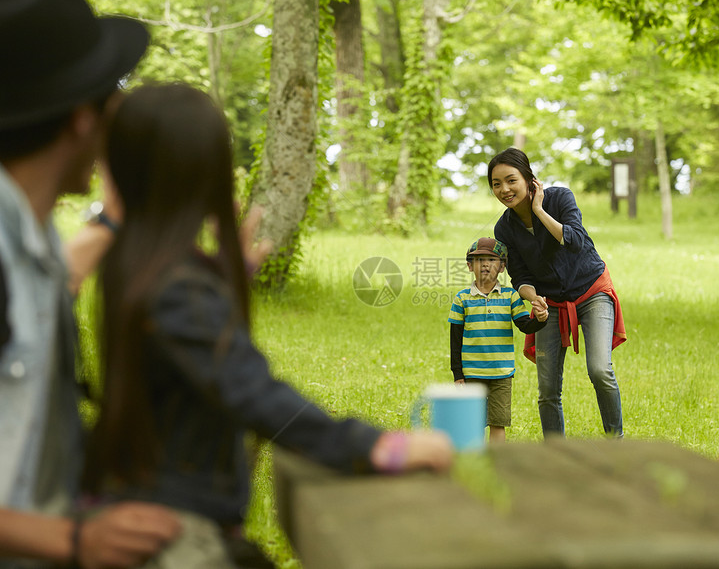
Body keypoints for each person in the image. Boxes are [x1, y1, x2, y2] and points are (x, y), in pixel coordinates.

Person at [81, 83, 453, 567]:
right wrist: (376, 446)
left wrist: (220, 287)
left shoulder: (135, 264)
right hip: (170, 529)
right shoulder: (176, 288)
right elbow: (252, 392)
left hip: (152, 500)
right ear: (207, 171)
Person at [0, 0, 185, 567]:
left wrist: (114, 218)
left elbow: (55, 275)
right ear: (84, 119)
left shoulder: (30, 234)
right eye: (113, 99)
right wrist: (75, 542)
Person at [489, 147, 627, 438]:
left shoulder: (560, 198)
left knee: (600, 370)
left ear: (529, 179)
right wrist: (532, 297)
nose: (504, 189)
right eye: (496, 184)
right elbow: (520, 275)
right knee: (548, 388)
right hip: (549, 302)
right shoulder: (504, 228)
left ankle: (617, 442)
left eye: (511, 180)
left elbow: (575, 240)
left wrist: (538, 210)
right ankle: (556, 452)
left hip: (592, 290)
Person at [448, 237, 548, 442]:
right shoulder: (462, 299)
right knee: (472, 422)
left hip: (501, 374)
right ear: (469, 266)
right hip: (472, 373)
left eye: (492, 260)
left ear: (502, 267)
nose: (485, 264)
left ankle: (496, 462)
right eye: (479, 260)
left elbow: (525, 326)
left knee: (498, 421)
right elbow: (455, 339)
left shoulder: (510, 297)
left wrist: (540, 319)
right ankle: (473, 461)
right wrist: (458, 374)